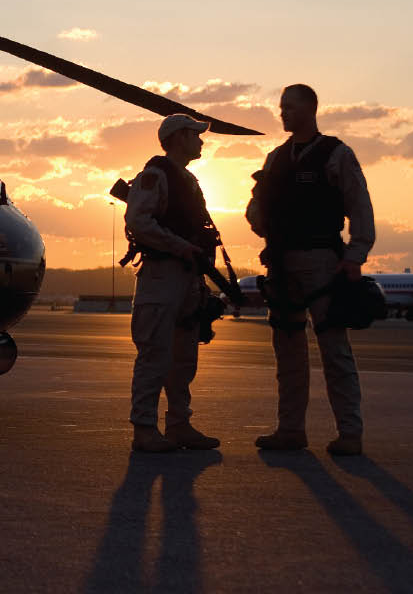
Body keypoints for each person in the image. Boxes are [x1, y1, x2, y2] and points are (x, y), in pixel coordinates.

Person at [246, 84, 375, 456]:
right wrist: (268, 232)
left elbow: (360, 206)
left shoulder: (336, 155)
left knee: (333, 348)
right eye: (281, 107)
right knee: (287, 349)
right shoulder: (275, 158)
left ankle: (350, 432)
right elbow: (256, 208)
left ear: (310, 108)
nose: (283, 113)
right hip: (282, 263)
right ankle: (290, 429)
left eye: (289, 106)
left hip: (323, 262)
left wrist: (355, 255)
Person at [124, 114, 221, 453]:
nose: (201, 140)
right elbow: (138, 221)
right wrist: (182, 247)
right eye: (195, 134)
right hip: (162, 275)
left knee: (183, 359)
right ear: (179, 137)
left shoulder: (188, 181)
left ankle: (179, 424)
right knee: (155, 355)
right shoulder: (154, 176)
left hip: (186, 279)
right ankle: (145, 428)